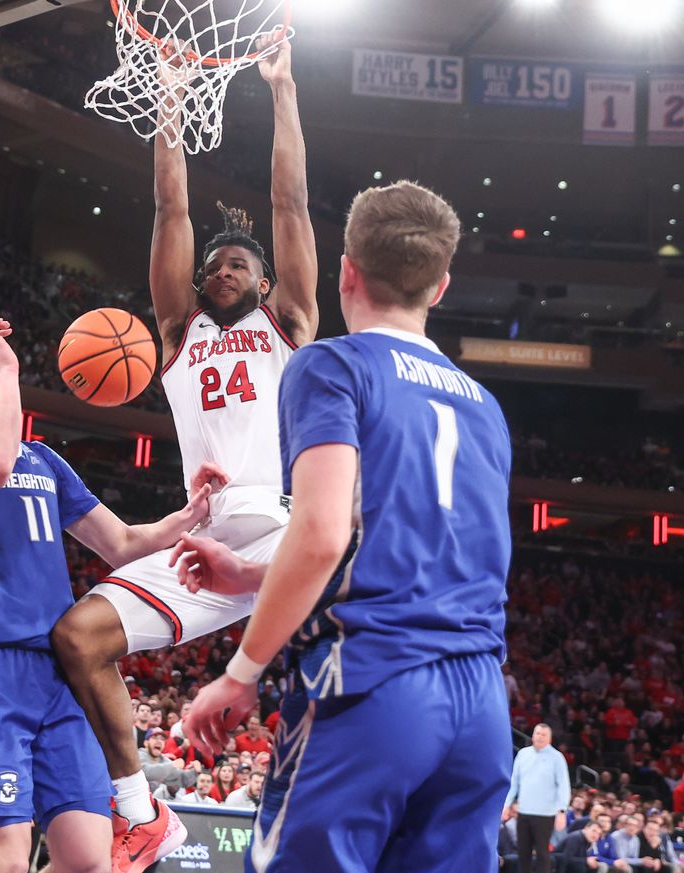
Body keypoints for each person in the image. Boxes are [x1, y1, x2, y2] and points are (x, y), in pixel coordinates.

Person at [178, 180, 513, 873]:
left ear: (347, 270)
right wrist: (249, 573)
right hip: (481, 705)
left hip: (374, 685)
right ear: (441, 286)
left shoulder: (331, 365)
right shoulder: (485, 405)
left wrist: (242, 671)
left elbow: (324, 533)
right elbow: (390, 553)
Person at [50, 30, 319, 872]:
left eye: (239, 263)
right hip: (198, 533)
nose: (224, 268)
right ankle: (143, 812)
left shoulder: (292, 325)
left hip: (276, 531)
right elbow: (172, 206)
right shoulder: (176, 331)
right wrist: (169, 92)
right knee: (74, 635)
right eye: (216, 264)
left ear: (267, 282)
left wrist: (282, 92)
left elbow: (291, 208)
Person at [0, 317, 213, 873]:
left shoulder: (45, 460)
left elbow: (120, 543)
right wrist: (12, 371)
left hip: (58, 674)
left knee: (90, 860)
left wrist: (188, 517)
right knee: (4, 860)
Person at [505, 724, 573, 873]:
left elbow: (563, 786)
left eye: (543, 735)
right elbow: (514, 782)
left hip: (545, 814)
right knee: (523, 852)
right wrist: (507, 804)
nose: (540, 737)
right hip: (523, 811)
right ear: (533, 735)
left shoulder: (557, 757)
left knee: (542, 853)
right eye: (537, 733)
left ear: (549, 738)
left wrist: (561, 810)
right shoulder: (523, 754)